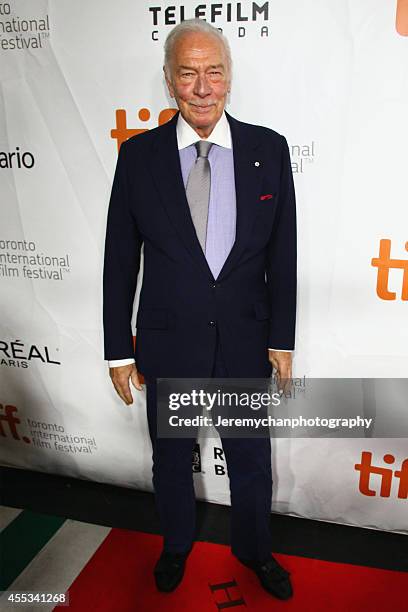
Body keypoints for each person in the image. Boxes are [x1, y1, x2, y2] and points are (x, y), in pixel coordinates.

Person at [102, 19, 297, 600]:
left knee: (251, 463)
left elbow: (282, 256)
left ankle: (256, 552)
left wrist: (282, 339)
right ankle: (176, 547)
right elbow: (119, 261)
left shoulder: (268, 149)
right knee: (170, 462)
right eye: (188, 73)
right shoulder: (138, 157)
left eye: (214, 71)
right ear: (169, 81)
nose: (203, 86)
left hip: (243, 341)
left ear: (229, 77)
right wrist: (118, 348)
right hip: (168, 343)